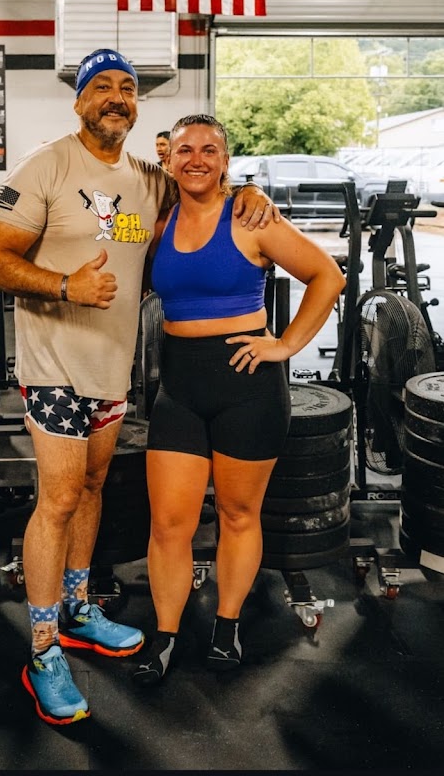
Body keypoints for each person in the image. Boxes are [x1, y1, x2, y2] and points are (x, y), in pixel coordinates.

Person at [0, 48, 280, 726]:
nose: (116, 96)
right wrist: (65, 285)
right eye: (102, 86)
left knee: (91, 489)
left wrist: (248, 193)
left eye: (127, 88)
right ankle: (43, 650)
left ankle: (79, 608)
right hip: (54, 366)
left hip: (111, 369)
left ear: (136, 107)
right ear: (79, 99)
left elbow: (205, 187)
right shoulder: (45, 166)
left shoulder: (148, 179)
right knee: (57, 501)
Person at [131, 114, 346, 685]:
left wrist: (285, 345)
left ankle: (227, 626)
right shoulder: (159, 221)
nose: (197, 159)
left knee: (237, 514)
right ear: (168, 159)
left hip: (247, 385)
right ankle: (166, 634)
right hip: (179, 385)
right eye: (185, 150)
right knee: (168, 523)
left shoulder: (252, 217)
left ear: (225, 160)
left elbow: (327, 276)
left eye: (210, 150)